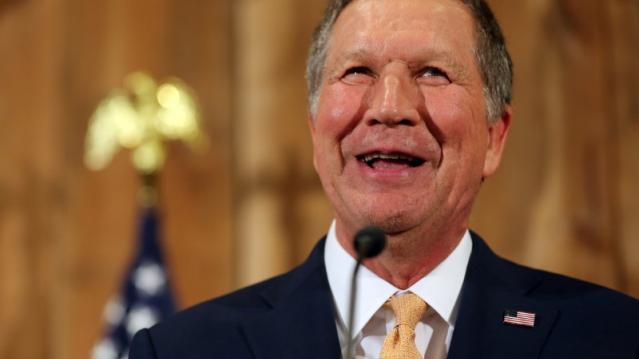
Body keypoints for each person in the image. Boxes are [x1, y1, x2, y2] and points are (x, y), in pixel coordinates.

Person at [130, 0, 639, 358]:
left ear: (494, 137)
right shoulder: (182, 350)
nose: (390, 108)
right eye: (357, 72)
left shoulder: (615, 338)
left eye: (432, 73)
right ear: (315, 130)